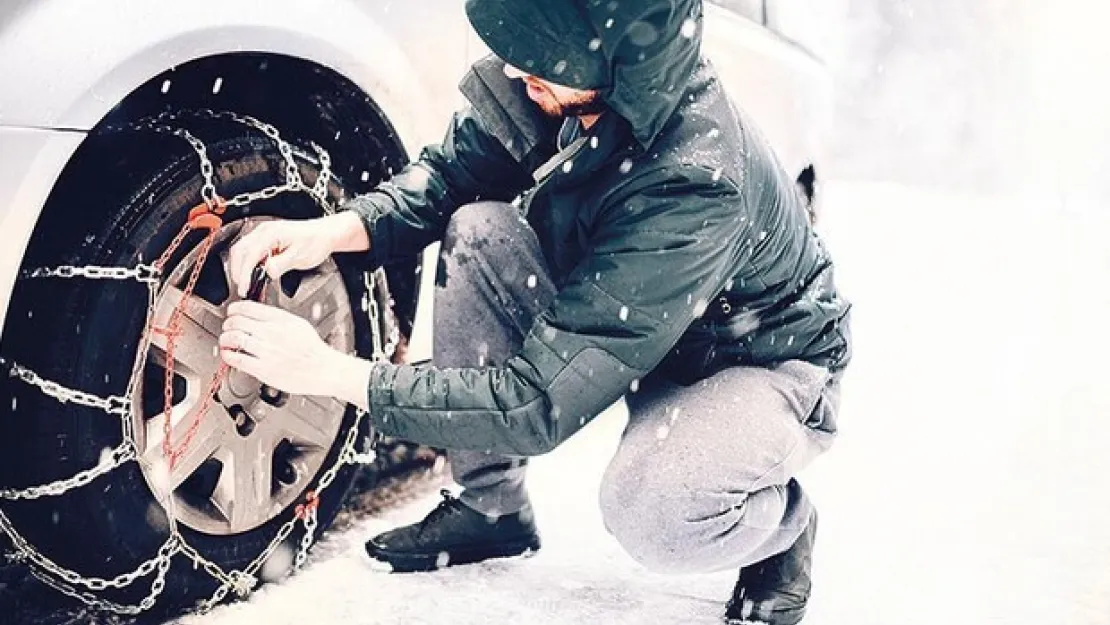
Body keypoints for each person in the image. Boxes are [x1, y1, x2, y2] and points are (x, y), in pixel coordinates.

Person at [218, 1, 851, 622]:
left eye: (539, 60)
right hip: (650, 326)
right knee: (481, 229)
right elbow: (450, 176)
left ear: (609, 60)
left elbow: (535, 403)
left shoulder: (694, 184)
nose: (516, 70)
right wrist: (337, 229)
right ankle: (491, 506)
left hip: (757, 363)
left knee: (655, 512)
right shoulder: (566, 83)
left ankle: (782, 528)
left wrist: (330, 373)